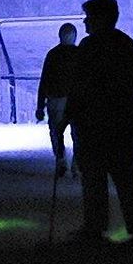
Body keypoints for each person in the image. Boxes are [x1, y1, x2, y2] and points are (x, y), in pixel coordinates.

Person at [65, 0, 133, 246]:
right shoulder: (124, 44)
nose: (85, 22)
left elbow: (77, 86)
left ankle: (96, 227)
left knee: (96, 178)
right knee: (125, 179)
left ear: (100, 19)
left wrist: (72, 114)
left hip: (98, 125)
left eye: (90, 17)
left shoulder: (90, 48)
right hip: (121, 125)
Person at [37, 23, 80, 179]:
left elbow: (44, 81)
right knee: (78, 133)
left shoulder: (53, 55)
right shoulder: (80, 54)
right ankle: (76, 164)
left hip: (56, 100)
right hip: (76, 100)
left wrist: (40, 106)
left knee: (56, 132)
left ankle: (61, 160)